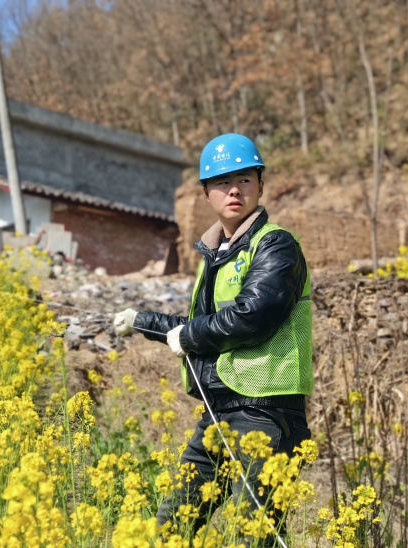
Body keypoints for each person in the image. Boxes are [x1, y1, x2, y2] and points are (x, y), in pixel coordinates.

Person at [113, 133, 313, 541]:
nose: (234, 189)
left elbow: (252, 316)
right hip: (218, 413)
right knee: (170, 528)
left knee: (253, 536)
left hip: (266, 413)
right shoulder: (214, 255)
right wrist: (142, 320)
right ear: (206, 193)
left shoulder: (276, 245)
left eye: (244, 178)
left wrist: (188, 336)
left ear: (260, 183)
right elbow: (202, 323)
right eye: (222, 182)